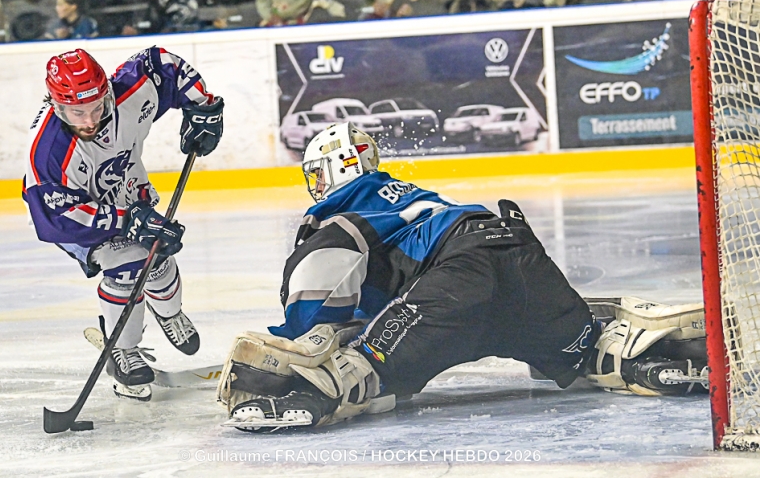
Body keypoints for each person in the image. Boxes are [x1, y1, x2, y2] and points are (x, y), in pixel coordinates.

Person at [218, 123, 709, 431]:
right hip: (517, 253)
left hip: (455, 287)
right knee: (578, 348)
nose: (317, 187)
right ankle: (628, 352)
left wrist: (297, 337)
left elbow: (318, 285)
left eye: (318, 175)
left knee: (363, 372)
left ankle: (315, 393)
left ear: (334, 171)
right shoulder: (407, 194)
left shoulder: (345, 212)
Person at [23, 47, 225, 401]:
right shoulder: (47, 151)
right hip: (78, 216)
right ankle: (124, 349)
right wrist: (127, 222)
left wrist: (203, 106)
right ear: (56, 106)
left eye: (97, 107)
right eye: (76, 112)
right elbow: (58, 217)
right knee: (129, 265)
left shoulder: (129, 93)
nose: (89, 121)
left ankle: (170, 313)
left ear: (107, 93)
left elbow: (166, 65)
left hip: (127, 190)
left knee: (158, 253)